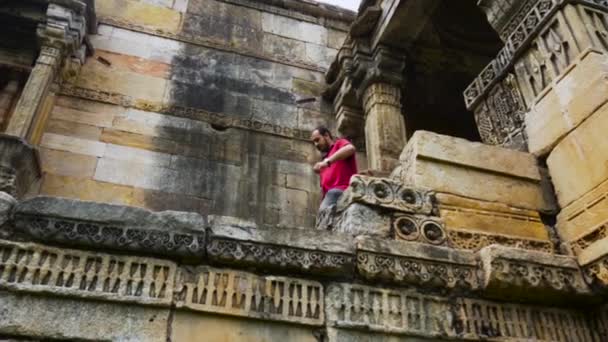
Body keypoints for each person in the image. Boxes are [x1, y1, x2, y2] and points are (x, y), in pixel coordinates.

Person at [311, 126, 357, 210]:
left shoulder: (339, 144)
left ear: (326, 135)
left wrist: (328, 162)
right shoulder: (324, 163)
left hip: (343, 191)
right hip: (330, 197)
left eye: (317, 140)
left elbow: (350, 148)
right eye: (314, 142)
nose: (316, 144)